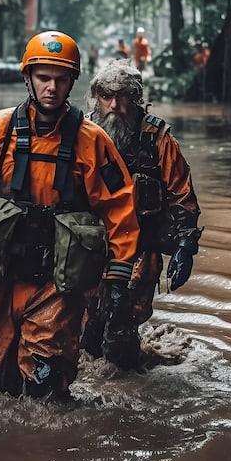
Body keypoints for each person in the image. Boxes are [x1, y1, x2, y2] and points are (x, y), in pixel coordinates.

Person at [0, 31, 141, 400]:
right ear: (28, 78)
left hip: (57, 284)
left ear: (72, 82)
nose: (52, 87)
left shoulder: (93, 142)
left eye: (60, 79)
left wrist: (117, 281)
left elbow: (119, 209)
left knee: (44, 387)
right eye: (43, 78)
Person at [81, 59, 202, 370]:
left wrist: (186, 245)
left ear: (135, 98)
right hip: (91, 246)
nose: (114, 105)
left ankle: (125, 390)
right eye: (106, 96)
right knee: (86, 331)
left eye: (122, 96)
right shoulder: (82, 134)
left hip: (140, 250)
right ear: (97, 97)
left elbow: (182, 193)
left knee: (122, 335)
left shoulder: (158, 139)